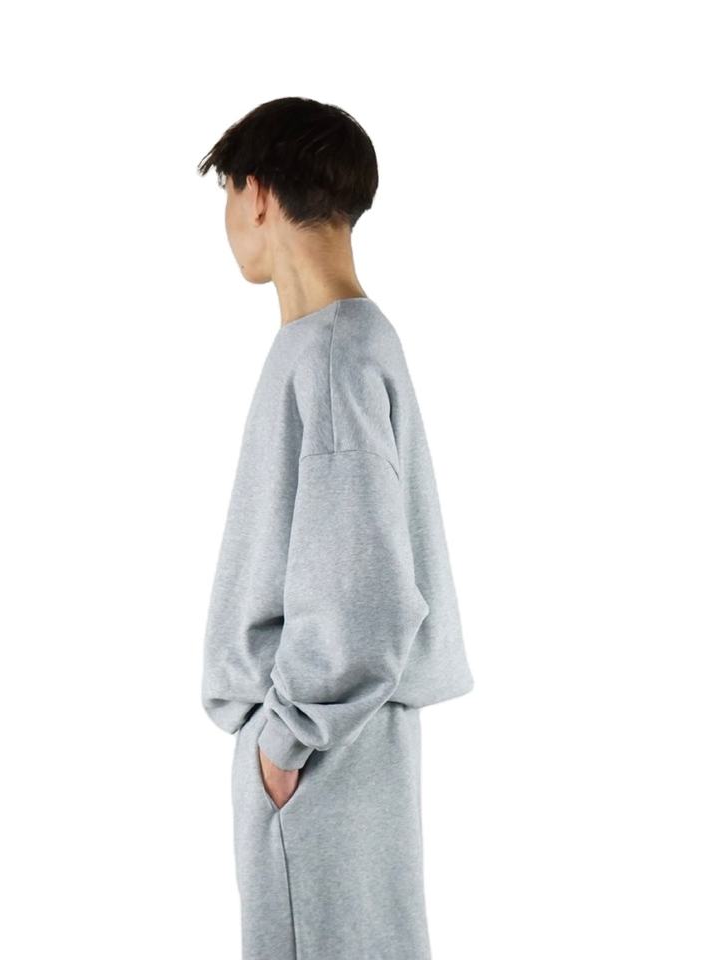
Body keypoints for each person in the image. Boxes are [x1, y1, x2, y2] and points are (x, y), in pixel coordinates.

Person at [196, 96, 474, 960]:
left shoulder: (330, 356)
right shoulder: (348, 343)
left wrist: (284, 747)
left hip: (321, 759)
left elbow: (363, 598)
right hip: (347, 747)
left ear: (256, 194)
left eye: (226, 195)